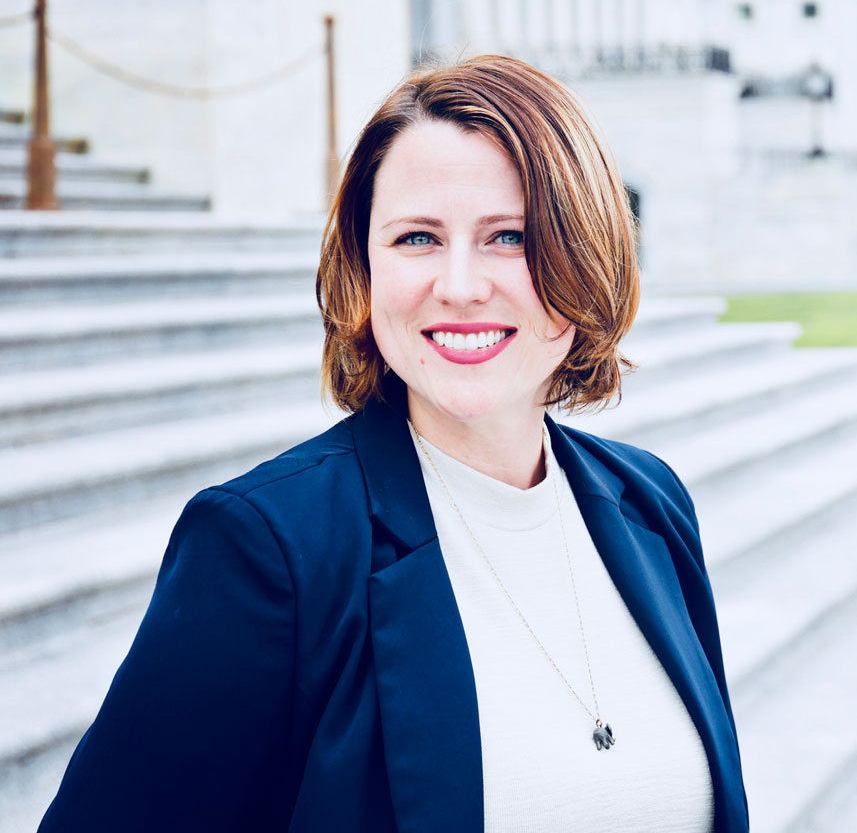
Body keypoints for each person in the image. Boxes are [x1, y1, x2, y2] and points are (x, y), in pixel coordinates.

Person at [39, 55, 747, 832]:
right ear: (363, 267)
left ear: (586, 252)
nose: (460, 284)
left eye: (509, 236)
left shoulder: (651, 503)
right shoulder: (268, 549)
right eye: (416, 238)